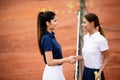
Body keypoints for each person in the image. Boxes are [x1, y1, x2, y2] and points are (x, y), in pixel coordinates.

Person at [37, 11, 76, 80]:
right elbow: (50, 62)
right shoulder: (47, 38)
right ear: (48, 23)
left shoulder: (51, 35)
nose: (57, 23)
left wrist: (69, 58)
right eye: (55, 21)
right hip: (52, 74)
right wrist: (67, 59)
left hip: (57, 72)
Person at [76, 13, 109, 80]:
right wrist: (75, 58)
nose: (82, 25)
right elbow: (87, 56)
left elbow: (106, 58)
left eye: (84, 22)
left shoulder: (101, 40)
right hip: (86, 71)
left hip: (95, 73)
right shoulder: (86, 37)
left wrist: (99, 72)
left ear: (92, 23)